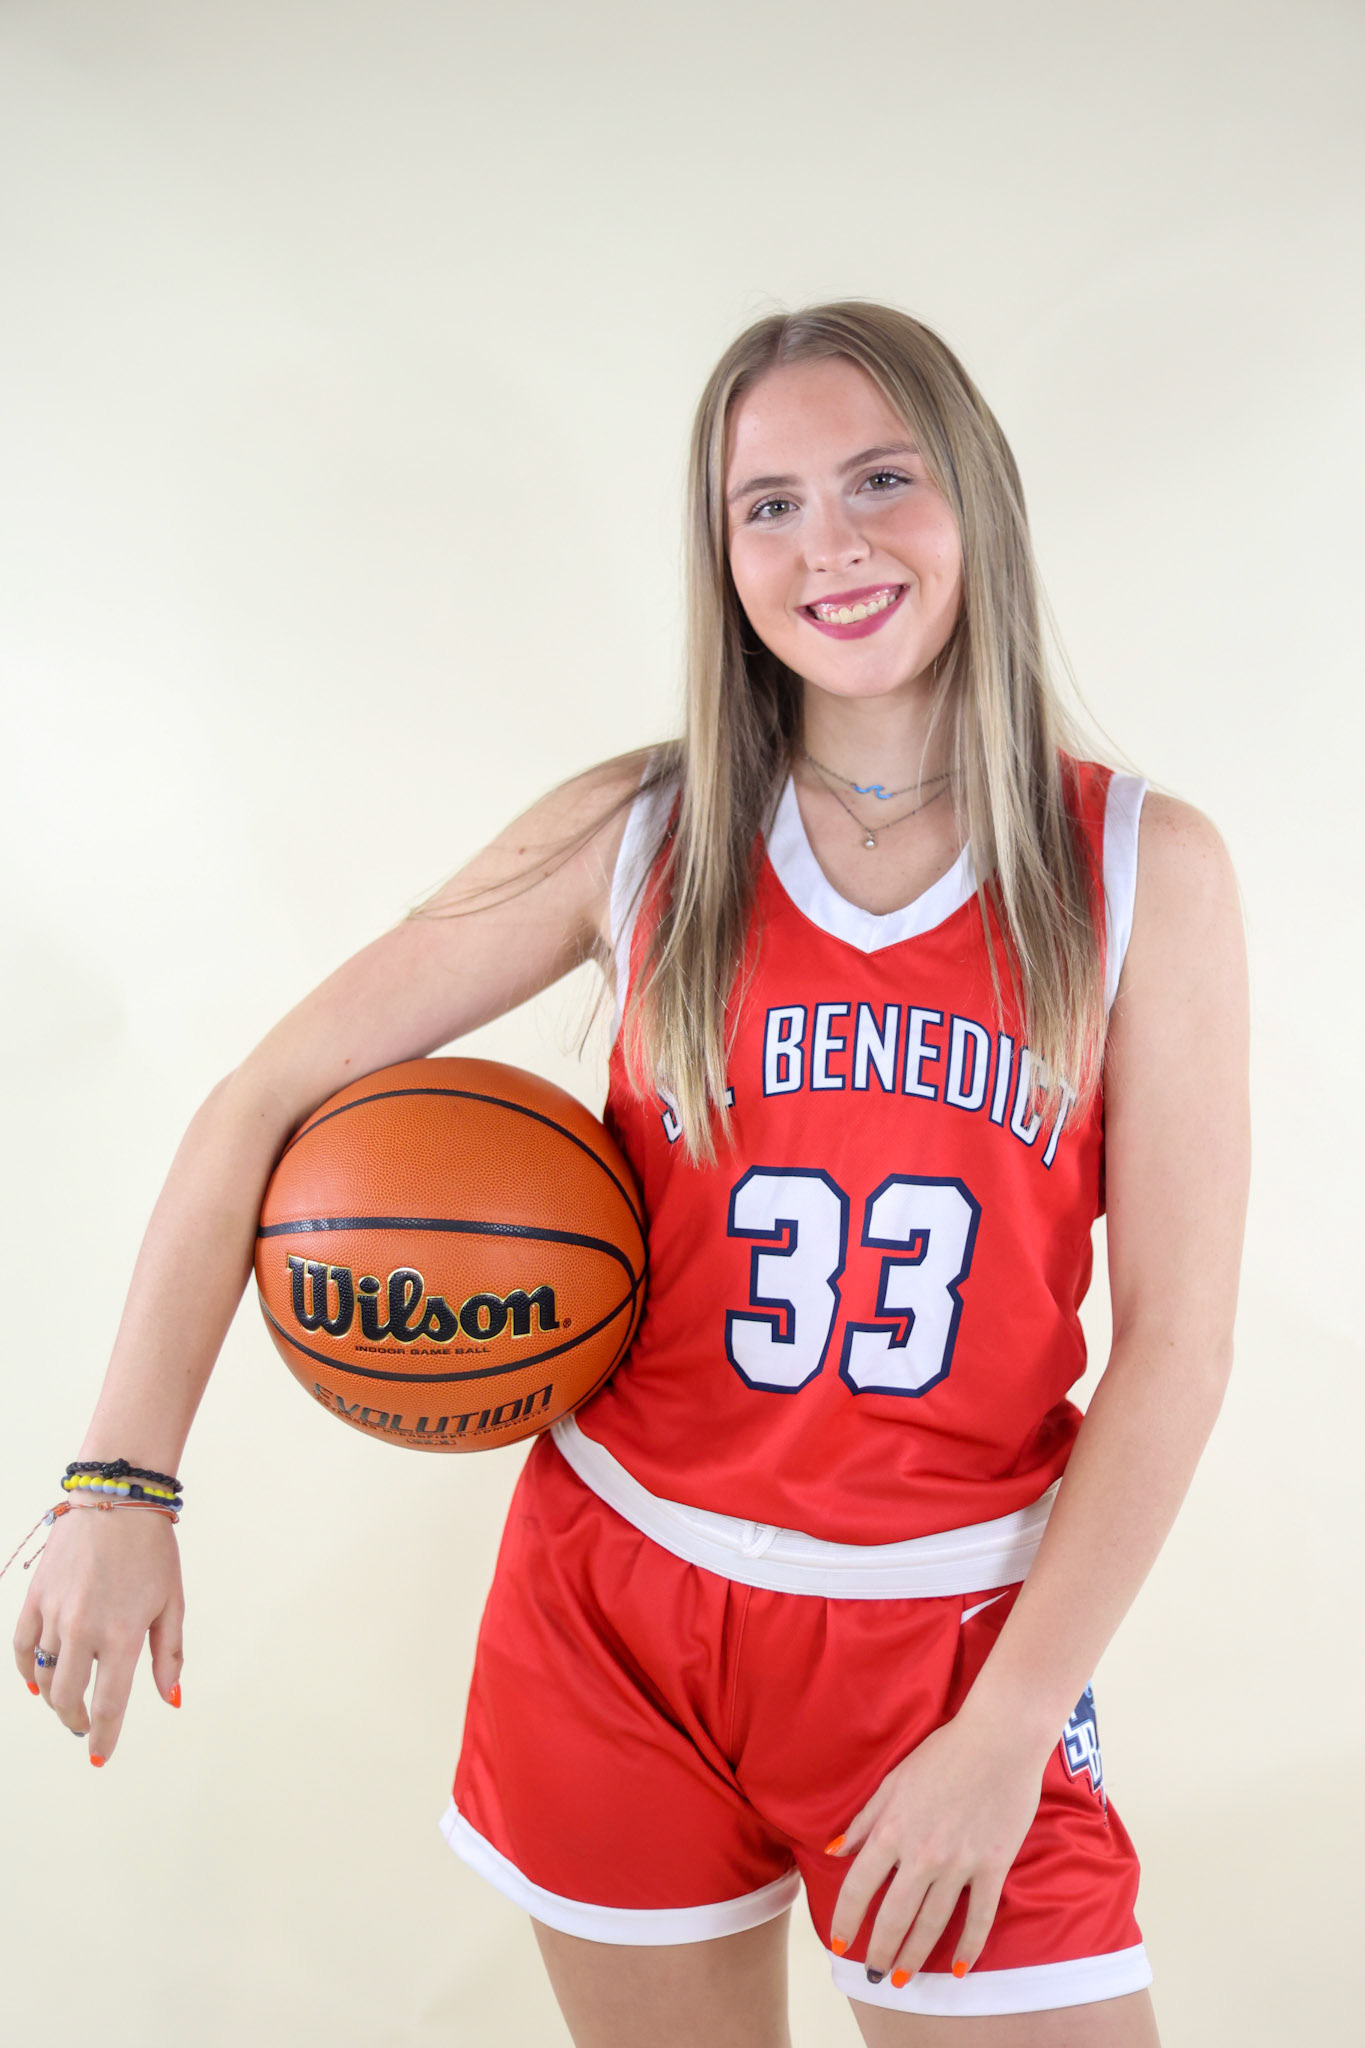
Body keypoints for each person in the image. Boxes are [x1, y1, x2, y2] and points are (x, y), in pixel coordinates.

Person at [13, 301, 1249, 2047]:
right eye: (767, 503)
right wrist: (118, 1484)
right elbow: (262, 1094)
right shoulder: (639, 832)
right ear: (719, 550)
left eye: (880, 478)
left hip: (946, 1640)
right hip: (614, 1611)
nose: (829, 542)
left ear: (975, 497)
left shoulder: (1139, 867)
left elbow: (1178, 1346)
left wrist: (1009, 1724)